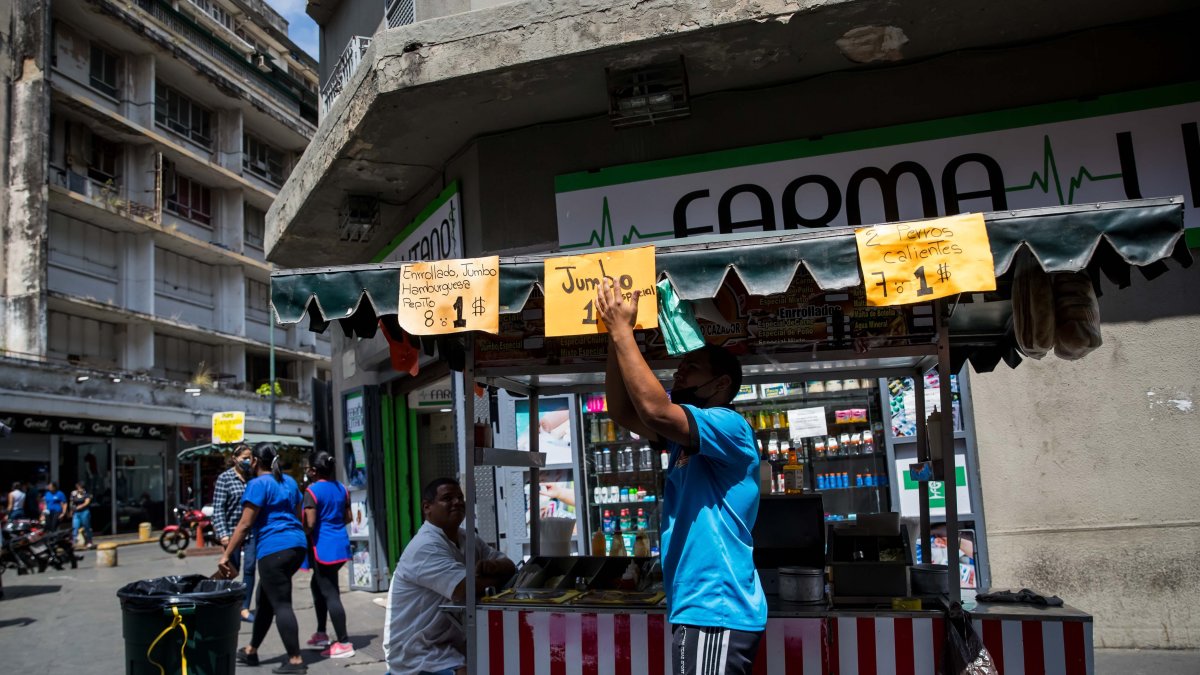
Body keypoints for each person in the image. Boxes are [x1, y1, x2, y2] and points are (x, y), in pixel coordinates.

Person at [596, 279, 767, 674]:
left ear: (721, 384)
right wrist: (613, 334)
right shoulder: (683, 443)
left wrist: (623, 331)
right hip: (699, 605)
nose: (679, 374)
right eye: (680, 366)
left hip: (715, 607)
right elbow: (622, 411)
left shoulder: (728, 424)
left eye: (691, 369)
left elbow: (655, 411)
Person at [383, 478, 516, 675]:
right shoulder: (425, 546)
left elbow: (510, 566)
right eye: (447, 498)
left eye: (460, 497)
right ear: (427, 507)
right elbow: (463, 588)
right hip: (417, 652)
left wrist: (493, 567)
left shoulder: (466, 537)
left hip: (450, 642)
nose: (457, 502)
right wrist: (497, 577)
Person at [219, 443, 308, 674]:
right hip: (296, 546)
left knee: (281, 604)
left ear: (256, 461)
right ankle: (251, 650)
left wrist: (226, 555)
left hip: (274, 550)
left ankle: (296, 661)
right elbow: (300, 513)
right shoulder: (288, 482)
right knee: (265, 599)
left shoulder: (257, 484)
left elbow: (245, 524)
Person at [302, 451, 354, 658]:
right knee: (318, 586)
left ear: (314, 471)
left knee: (331, 593)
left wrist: (301, 531)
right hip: (340, 545)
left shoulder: (312, 491)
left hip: (323, 548)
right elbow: (348, 517)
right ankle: (321, 632)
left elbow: (310, 523)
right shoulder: (342, 488)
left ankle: (343, 643)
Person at [212, 444, 258, 622]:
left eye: (250, 458)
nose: (248, 461)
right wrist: (223, 535)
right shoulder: (225, 478)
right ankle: (225, 604)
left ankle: (244, 607)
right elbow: (218, 509)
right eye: (244, 458)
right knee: (232, 571)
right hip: (231, 533)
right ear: (234, 458)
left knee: (250, 568)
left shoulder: (252, 478)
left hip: (251, 532)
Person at [69, 482, 94, 548]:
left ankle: (89, 541)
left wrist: (80, 506)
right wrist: (71, 510)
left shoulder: (86, 494)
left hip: (84, 512)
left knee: (86, 526)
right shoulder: (74, 494)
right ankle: (74, 541)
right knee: (75, 527)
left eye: (80, 488)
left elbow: (87, 502)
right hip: (76, 512)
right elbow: (71, 502)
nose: (79, 489)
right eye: (78, 487)